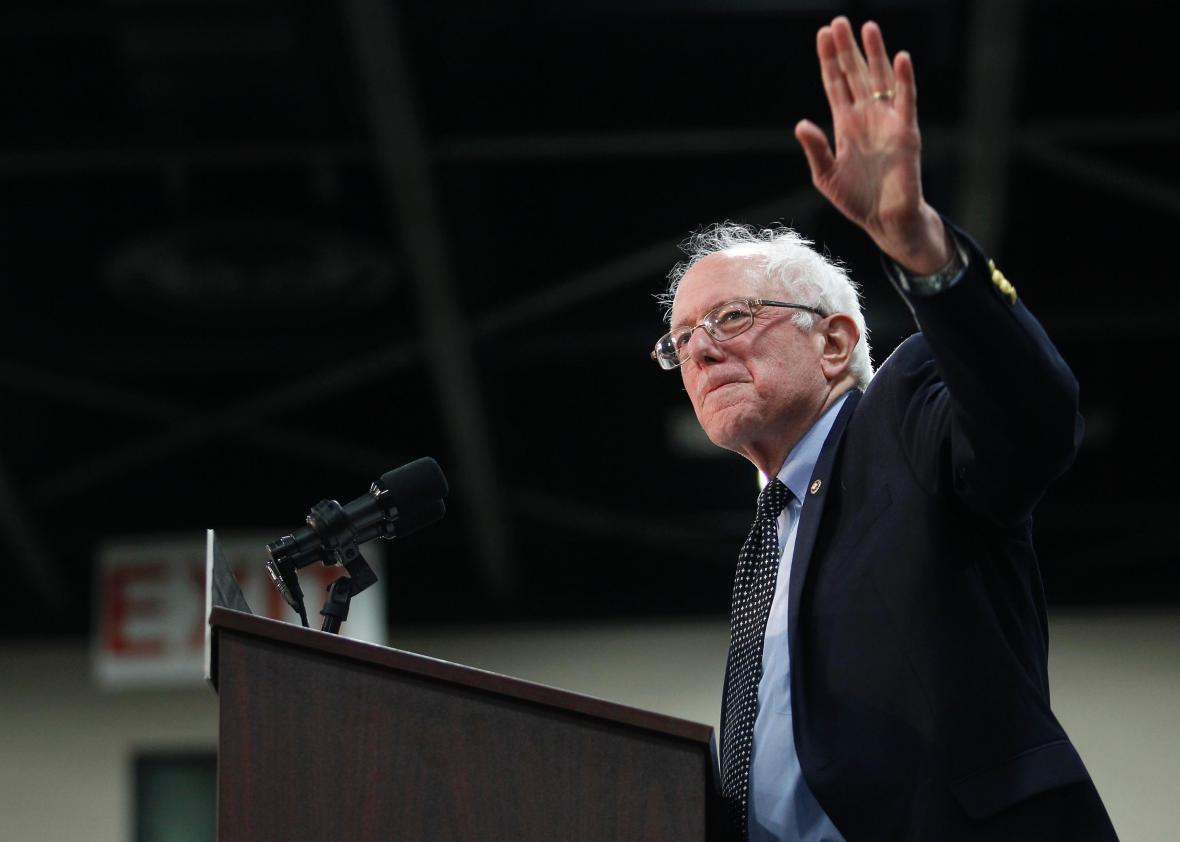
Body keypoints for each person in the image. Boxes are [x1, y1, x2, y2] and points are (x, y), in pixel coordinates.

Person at [651, 17, 1118, 842]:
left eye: (730, 316)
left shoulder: (902, 417)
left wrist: (920, 250)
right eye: (682, 340)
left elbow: (1032, 418)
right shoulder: (767, 539)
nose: (703, 349)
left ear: (834, 341)